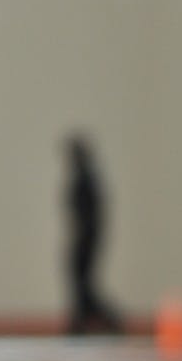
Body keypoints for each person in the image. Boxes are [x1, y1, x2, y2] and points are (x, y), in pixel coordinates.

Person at [65, 132, 123, 334]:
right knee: (80, 283)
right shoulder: (84, 177)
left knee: (83, 282)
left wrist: (85, 236)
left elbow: (90, 212)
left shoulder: (87, 179)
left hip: (86, 238)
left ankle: (103, 318)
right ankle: (80, 322)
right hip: (83, 236)